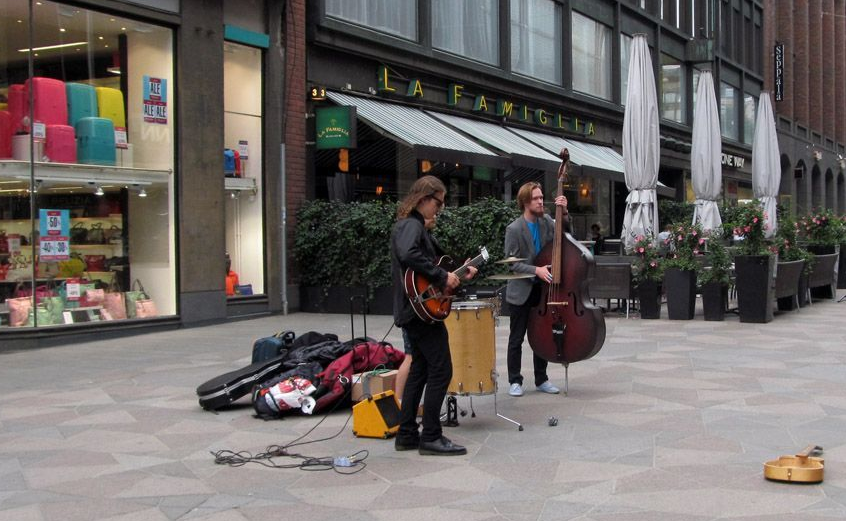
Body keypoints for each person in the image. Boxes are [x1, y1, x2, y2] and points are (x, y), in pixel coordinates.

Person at [391, 176, 477, 456]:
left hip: (414, 309)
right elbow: (408, 254)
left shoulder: (415, 227)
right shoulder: (410, 226)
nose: (439, 208)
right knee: (442, 369)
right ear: (424, 198)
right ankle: (430, 436)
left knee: (420, 369)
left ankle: (406, 434)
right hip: (419, 311)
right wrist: (442, 275)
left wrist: (458, 273)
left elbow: (433, 265)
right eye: (437, 202)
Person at [503, 181, 569, 397]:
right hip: (521, 291)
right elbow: (512, 263)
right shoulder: (513, 228)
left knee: (542, 334)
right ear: (525, 202)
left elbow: (565, 235)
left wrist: (564, 212)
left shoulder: (547, 222)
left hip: (543, 290)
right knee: (517, 338)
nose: (541, 201)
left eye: (542, 197)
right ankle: (515, 380)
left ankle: (541, 378)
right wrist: (536, 270)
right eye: (536, 198)